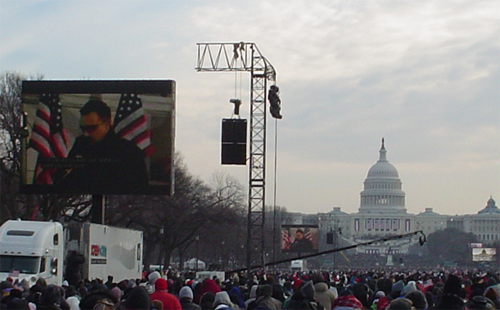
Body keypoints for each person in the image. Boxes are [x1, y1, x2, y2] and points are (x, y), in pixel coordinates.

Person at [55, 99, 148, 194]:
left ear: (106, 124)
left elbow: (137, 188)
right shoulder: (81, 144)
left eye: (91, 128)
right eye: (83, 128)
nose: (86, 133)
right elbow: (63, 178)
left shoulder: (128, 151)